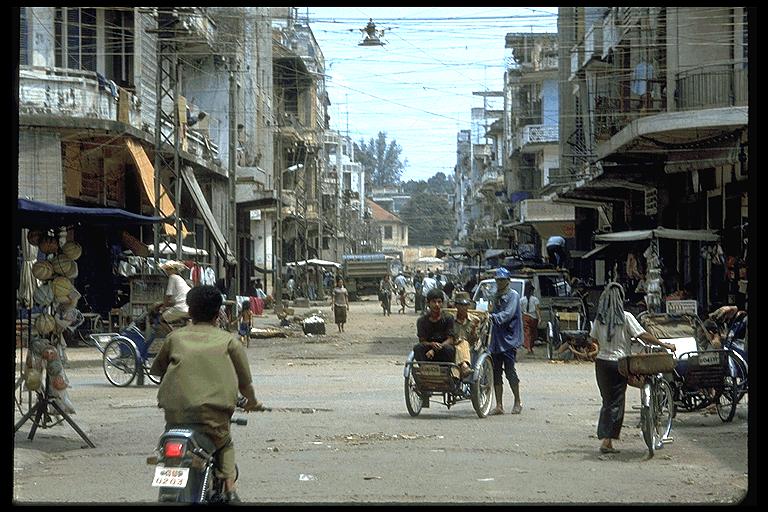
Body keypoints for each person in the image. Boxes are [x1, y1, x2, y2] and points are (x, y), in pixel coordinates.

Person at [149, 285, 263, 503]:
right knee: (225, 443)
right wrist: (252, 402)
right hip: (213, 417)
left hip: (175, 416)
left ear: (190, 312)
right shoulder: (229, 341)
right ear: (218, 313)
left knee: (169, 439)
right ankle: (230, 489)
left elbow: (158, 370)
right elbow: (245, 383)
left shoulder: (175, 338)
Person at [588, 282, 676, 454]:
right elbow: (643, 335)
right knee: (617, 402)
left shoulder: (599, 319)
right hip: (620, 363)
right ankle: (607, 442)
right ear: (620, 299)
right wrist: (663, 344)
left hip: (602, 364)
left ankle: (606, 438)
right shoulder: (626, 317)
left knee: (607, 401)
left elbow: (593, 339)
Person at [413, 289, 473, 388]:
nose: (436, 305)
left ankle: (448, 375)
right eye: (434, 302)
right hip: (428, 351)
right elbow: (422, 340)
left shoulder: (448, 318)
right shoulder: (422, 321)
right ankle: (425, 374)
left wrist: (436, 348)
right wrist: (431, 345)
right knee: (417, 348)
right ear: (428, 303)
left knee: (449, 349)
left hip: (444, 349)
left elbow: (450, 339)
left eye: (439, 302)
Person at [488, 267, 524, 415]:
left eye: (502, 280)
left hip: (509, 339)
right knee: (496, 372)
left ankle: (517, 401)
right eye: (497, 280)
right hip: (496, 339)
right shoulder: (495, 295)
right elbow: (490, 310)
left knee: (510, 371)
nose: (499, 282)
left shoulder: (513, 296)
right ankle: (499, 405)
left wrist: (493, 317)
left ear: (508, 281)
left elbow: (507, 314)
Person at [158, 260, 191, 326]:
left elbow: (168, 295)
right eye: (167, 269)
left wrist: (163, 307)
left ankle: (171, 335)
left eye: (170, 269)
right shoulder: (180, 279)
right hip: (188, 307)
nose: (167, 271)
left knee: (161, 320)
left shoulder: (172, 277)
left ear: (175, 270)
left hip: (181, 308)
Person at [520, 281, 540, 355]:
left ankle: (528, 347)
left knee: (527, 333)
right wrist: (539, 318)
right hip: (533, 318)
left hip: (525, 317)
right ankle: (530, 348)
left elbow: (520, 310)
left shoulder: (522, 300)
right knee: (532, 333)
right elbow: (537, 310)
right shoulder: (535, 300)